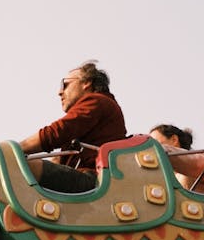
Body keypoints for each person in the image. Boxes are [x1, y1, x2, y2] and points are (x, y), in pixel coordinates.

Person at [20, 61, 127, 192]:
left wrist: (12, 150)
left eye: (65, 84)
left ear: (86, 83)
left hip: (93, 180)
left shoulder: (97, 101)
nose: (60, 92)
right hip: (93, 180)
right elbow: (57, 160)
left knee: (15, 167)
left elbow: (56, 132)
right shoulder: (103, 107)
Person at [149, 124, 204, 194]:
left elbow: (200, 164)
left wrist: (155, 149)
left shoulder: (200, 160)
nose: (150, 147)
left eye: (155, 142)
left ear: (174, 139)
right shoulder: (164, 180)